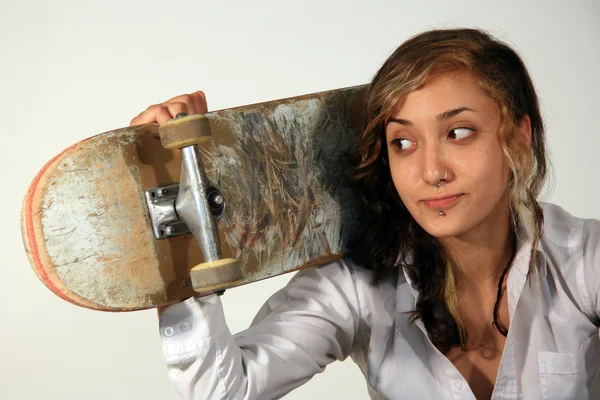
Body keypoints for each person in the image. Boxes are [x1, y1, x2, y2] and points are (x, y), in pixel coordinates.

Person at [130, 28, 600, 400]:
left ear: (517, 138)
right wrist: (179, 235)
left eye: (458, 132)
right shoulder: (358, 287)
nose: (431, 171)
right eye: (403, 142)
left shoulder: (582, 260)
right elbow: (223, 392)